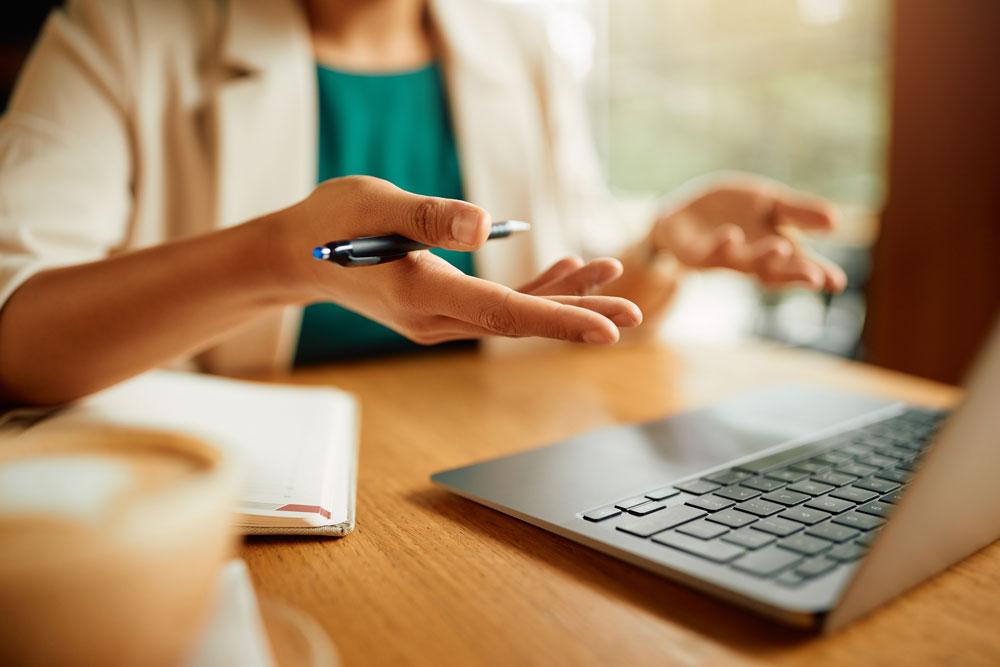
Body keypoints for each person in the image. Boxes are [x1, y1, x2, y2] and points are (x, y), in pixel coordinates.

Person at [0, 0, 845, 406]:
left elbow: (581, 288)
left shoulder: (520, 40)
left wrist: (662, 245)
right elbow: (16, 334)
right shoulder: (115, 34)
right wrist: (280, 260)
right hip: (225, 506)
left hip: (474, 472)